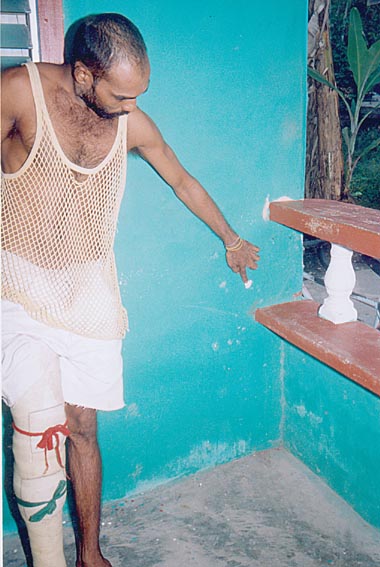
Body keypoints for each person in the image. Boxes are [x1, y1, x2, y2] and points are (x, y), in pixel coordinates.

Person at [1, 13, 260, 567]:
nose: (131, 108)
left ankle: (90, 553)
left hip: (90, 292)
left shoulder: (129, 121)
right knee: (39, 426)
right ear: (84, 73)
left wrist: (231, 238)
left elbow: (182, 179)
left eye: (138, 96)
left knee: (83, 427)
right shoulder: (17, 92)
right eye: (122, 95)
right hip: (18, 284)